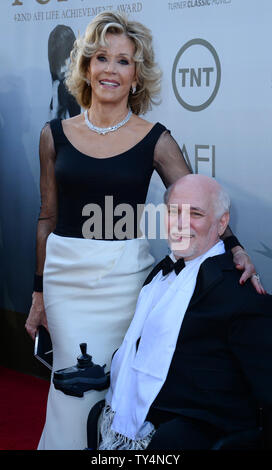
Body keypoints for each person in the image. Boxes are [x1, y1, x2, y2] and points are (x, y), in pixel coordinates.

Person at [25, 11, 263, 450]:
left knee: (115, 385)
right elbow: (46, 218)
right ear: (85, 67)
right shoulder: (52, 135)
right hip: (65, 281)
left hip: (122, 281)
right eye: (101, 58)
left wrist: (235, 247)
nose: (110, 70)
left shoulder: (154, 138)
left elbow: (198, 201)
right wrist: (38, 296)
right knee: (69, 391)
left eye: (123, 61)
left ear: (136, 76)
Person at [98, 174, 272, 450]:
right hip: (151, 416)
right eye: (174, 211)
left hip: (197, 427)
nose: (181, 223)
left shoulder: (239, 291)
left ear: (222, 223)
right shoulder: (160, 273)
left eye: (196, 213)